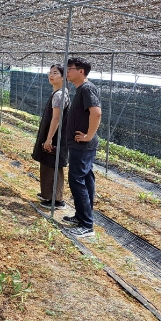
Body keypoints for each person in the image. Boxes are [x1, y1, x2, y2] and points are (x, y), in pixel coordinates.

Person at [62, 57, 101, 238]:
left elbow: (96, 112)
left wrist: (88, 136)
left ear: (81, 71)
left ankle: (87, 225)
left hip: (83, 145)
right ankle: (81, 216)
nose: (66, 72)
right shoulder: (81, 89)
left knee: (77, 179)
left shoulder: (86, 88)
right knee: (85, 179)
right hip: (80, 145)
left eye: (69, 68)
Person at [31, 64, 70, 210]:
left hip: (55, 137)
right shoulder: (58, 93)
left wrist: (49, 139)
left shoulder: (60, 95)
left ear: (63, 77)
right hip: (53, 135)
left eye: (55, 73)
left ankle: (56, 200)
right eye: (50, 73)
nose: (51, 75)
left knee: (53, 165)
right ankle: (47, 194)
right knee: (47, 164)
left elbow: (56, 119)